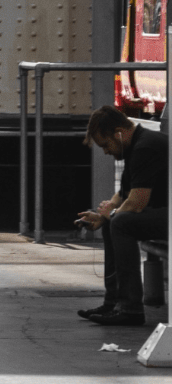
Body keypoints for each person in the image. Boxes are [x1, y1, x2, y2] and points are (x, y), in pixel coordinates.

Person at [75, 105, 168, 326]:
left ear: (118, 133)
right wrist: (102, 217)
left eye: (105, 144)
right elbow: (124, 193)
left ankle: (130, 309)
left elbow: (136, 203)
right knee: (115, 222)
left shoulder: (145, 147)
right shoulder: (136, 145)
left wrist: (111, 214)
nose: (106, 151)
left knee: (121, 222)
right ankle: (114, 303)